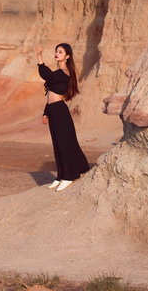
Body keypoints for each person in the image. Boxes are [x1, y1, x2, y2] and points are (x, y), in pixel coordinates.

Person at [36, 43, 90, 191]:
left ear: (67, 56)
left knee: (65, 144)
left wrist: (39, 56)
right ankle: (61, 176)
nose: (57, 54)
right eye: (56, 51)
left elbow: (46, 75)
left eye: (60, 52)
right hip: (53, 110)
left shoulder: (64, 71)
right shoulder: (58, 72)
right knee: (57, 144)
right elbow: (50, 96)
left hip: (60, 111)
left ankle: (69, 176)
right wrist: (46, 112)